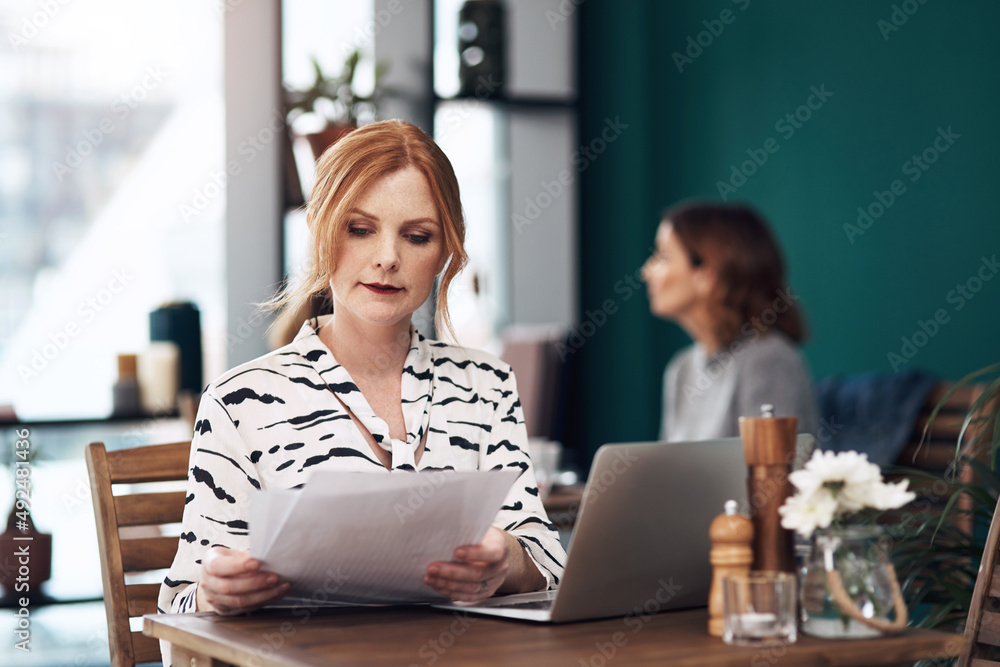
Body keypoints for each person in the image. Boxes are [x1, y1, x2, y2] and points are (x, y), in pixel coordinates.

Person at [157, 121, 566, 633]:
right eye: (360, 229)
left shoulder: (487, 386)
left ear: (445, 251)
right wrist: (214, 595)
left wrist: (509, 560)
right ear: (322, 230)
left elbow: (551, 566)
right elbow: (179, 604)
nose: (388, 258)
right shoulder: (241, 401)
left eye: (417, 236)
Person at [640, 202, 818, 456]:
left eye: (663, 257)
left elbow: (777, 479)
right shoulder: (681, 369)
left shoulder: (768, 360)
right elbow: (667, 473)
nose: (647, 272)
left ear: (707, 276)